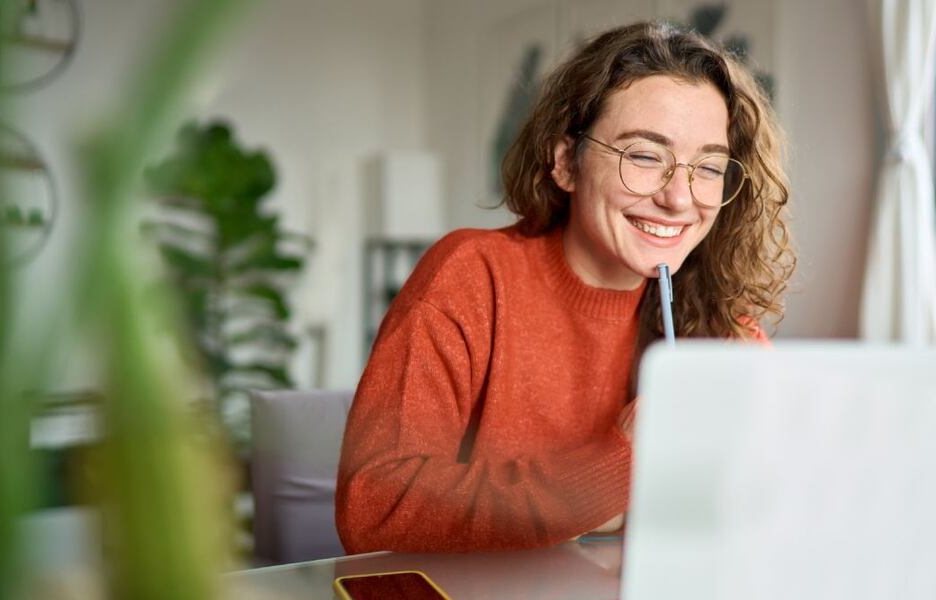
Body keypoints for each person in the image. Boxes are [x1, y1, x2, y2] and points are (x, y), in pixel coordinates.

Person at [335, 21, 794, 554]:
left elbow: (769, 509)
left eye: (708, 167)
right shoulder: (471, 277)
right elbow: (373, 508)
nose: (678, 198)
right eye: (644, 156)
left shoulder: (719, 322)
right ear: (564, 163)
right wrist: (618, 465)